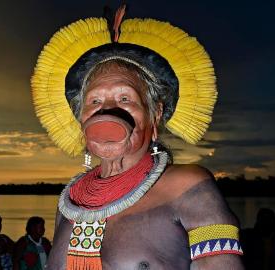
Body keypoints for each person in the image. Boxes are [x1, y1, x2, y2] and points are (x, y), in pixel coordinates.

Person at [31, 4, 243, 270]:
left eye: (124, 98)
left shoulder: (187, 186)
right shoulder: (69, 203)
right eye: (94, 100)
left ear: (154, 116)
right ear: (81, 119)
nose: (107, 110)